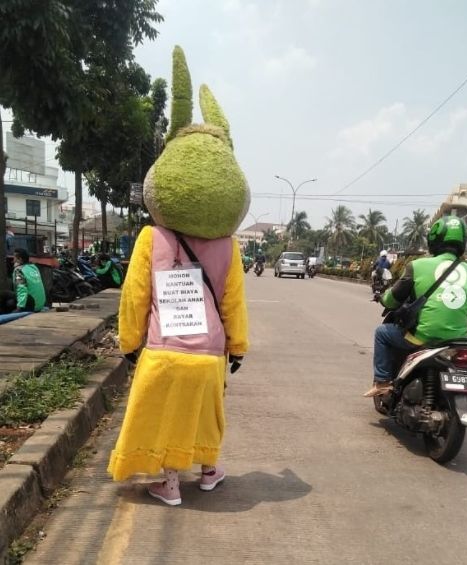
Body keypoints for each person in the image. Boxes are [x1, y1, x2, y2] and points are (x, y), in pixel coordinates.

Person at [107, 46, 250, 506]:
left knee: (167, 417)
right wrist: (238, 347)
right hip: (210, 353)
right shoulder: (229, 248)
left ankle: (169, 484)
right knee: (207, 413)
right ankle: (209, 471)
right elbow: (233, 304)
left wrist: (129, 342)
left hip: (164, 349)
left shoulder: (152, 239)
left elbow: (135, 298)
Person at [364, 215, 467, 397]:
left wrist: (383, 298)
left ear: (434, 239)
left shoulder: (417, 266)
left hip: (421, 337)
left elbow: (393, 300)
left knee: (382, 333)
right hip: (457, 341)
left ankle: (382, 382)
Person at [0, 248, 46, 314]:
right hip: (40, 304)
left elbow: (21, 289)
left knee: (2, 295)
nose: (13, 260)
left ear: (20, 260)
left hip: (31, 305)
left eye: (14, 258)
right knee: (9, 296)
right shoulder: (34, 267)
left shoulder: (19, 271)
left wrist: (19, 307)